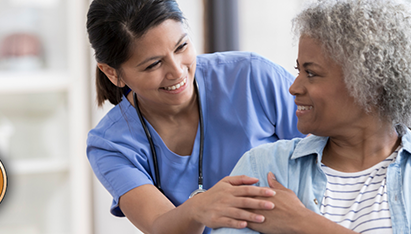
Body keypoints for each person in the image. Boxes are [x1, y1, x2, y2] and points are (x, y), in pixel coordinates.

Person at [212, 0, 411, 233]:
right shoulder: (263, 166)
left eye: (311, 73)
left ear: (369, 86)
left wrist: (304, 224)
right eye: (299, 70)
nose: (294, 87)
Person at [85, 0, 304, 233]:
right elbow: (160, 226)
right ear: (112, 73)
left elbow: (330, 153)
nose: (177, 71)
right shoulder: (110, 145)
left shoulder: (251, 76)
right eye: (154, 64)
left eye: (181, 47)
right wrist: (197, 208)